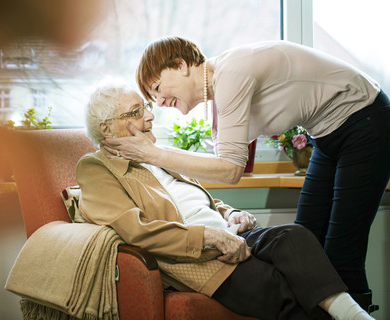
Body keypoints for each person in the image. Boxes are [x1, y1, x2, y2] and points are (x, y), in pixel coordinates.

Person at [101, 37, 390, 312]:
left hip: (365, 122)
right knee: (309, 245)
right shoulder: (218, 98)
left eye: (156, 88)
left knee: (342, 252)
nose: (159, 102)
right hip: (326, 137)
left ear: (180, 65)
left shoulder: (232, 73)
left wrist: (152, 154)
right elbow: (221, 160)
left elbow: (230, 170)